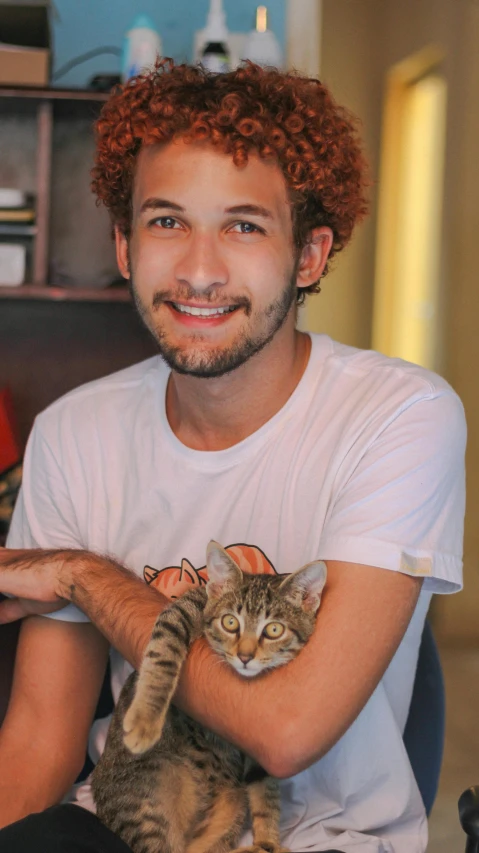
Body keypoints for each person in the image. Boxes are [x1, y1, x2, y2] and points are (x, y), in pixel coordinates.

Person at [0, 59, 466, 853]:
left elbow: (286, 731)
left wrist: (85, 573)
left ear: (310, 256)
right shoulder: (75, 431)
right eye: (165, 221)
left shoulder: (402, 415)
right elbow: (43, 736)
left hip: (316, 838)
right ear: (122, 243)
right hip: (127, 821)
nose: (199, 269)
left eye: (244, 225)